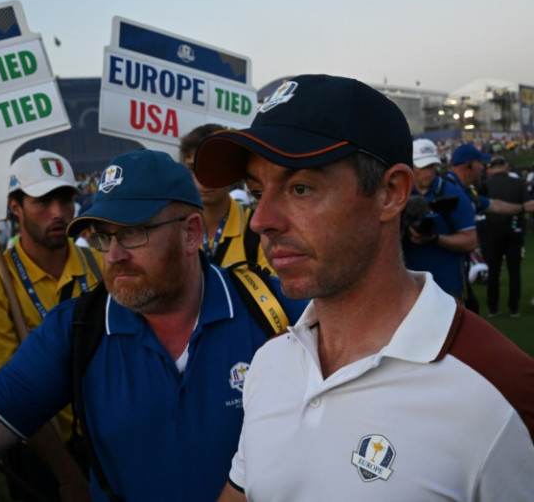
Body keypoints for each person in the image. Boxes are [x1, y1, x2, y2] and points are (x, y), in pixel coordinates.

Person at [0, 149, 308, 502]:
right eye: (103, 236)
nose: (114, 254)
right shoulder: (78, 328)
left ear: (190, 233)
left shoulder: (270, 307)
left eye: (134, 232)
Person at [191, 74, 534, 500]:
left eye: (300, 188)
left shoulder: (502, 395)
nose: (261, 219)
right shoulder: (269, 363)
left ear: (391, 193)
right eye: (257, 191)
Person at [0, 149, 103, 500]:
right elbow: (8, 393)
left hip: (112, 436)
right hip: (40, 455)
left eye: (66, 199)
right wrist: (67, 473)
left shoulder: (103, 265)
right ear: (15, 207)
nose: (58, 213)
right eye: (43, 201)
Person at [179, 124, 273, 271]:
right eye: (193, 168)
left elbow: (273, 291)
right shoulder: (174, 228)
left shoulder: (258, 227)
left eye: (214, 167)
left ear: (231, 170)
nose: (203, 179)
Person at [402, 138, 477, 301]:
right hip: (407, 286)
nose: (429, 172)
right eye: (423, 167)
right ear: (410, 166)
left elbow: (471, 240)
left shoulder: (452, 193)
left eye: (432, 166)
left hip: (447, 285)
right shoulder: (398, 193)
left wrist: (434, 238)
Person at [478, 156, 529, 317]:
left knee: (494, 270)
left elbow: (480, 208)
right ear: (505, 167)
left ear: (492, 168)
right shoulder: (518, 183)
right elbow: (528, 206)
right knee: (514, 271)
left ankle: (493, 308)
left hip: (493, 230)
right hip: (515, 230)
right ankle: (514, 308)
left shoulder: (486, 184)